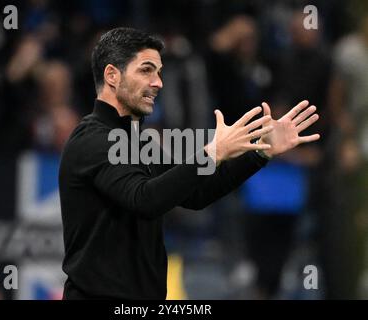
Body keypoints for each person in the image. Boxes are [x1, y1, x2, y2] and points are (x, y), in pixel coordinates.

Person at [59, 27, 320, 300]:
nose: (158, 82)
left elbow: (195, 193)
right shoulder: (92, 140)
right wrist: (212, 152)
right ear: (112, 75)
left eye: (158, 72)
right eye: (146, 70)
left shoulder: (136, 141)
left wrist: (260, 153)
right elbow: (144, 199)